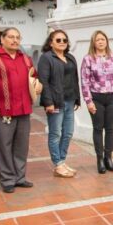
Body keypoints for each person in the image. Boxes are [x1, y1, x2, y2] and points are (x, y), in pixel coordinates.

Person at [0, 28, 37, 193]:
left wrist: (37, 86)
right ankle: (7, 179)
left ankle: (20, 177)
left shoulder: (25, 59)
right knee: (4, 146)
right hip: (2, 109)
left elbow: (34, 78)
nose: (14, 40)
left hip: (24, 108)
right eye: (11, 37)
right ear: (3, 39)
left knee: (22, 145)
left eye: (17, 37)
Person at [38, 30, 81, 178]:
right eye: (58, 40)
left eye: (64, 40)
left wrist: (77, 98)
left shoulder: (70, 57)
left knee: (68, 133)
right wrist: (48, 102)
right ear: (51, 43)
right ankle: (58, 163)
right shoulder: (46, 58)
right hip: (56, 102)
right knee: (55, 133)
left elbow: (75, 79)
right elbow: (44, 81)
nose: (62, 42)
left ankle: (61, 161)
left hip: (70, 100)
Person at [81, 30, 113, 174]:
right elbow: (84, 81)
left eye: (103, 39)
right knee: (98, 128)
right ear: (93, 42)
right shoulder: (88, 59)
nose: (100, 42)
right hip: (96, 97)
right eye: (97, 39)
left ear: (106, 41)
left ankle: (108, 158)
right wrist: (88, 101)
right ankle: (99, 159)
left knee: (110, 128)